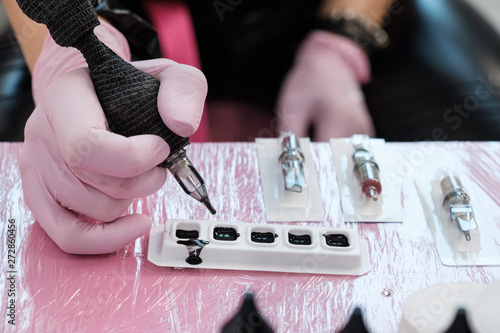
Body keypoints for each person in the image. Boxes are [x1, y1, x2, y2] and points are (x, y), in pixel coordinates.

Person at [0, 0, 400, 254]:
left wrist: (341, 39)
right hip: (119, 13)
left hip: (300, 17)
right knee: (46, 168)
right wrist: (70, 59)